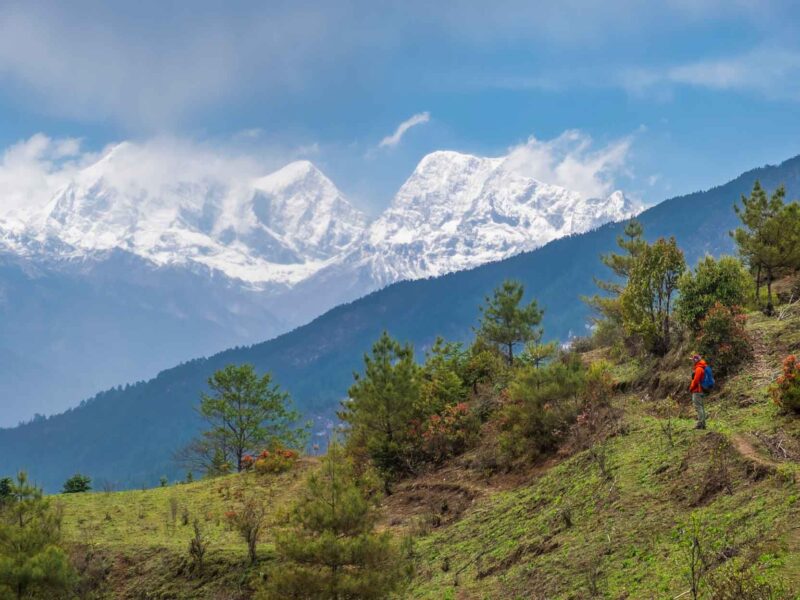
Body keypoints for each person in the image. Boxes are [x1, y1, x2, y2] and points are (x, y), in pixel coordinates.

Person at [689, 354, 708, 429]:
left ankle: (700, 424)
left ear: (696, 360)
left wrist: (691, 388)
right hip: (700, 390)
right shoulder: (701, 367)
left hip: (697, 390)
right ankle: (702, 424)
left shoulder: (699, 369)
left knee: (698, 407)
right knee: (700, 407)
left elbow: (696, 380)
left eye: (693, 360)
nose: (692, 361)